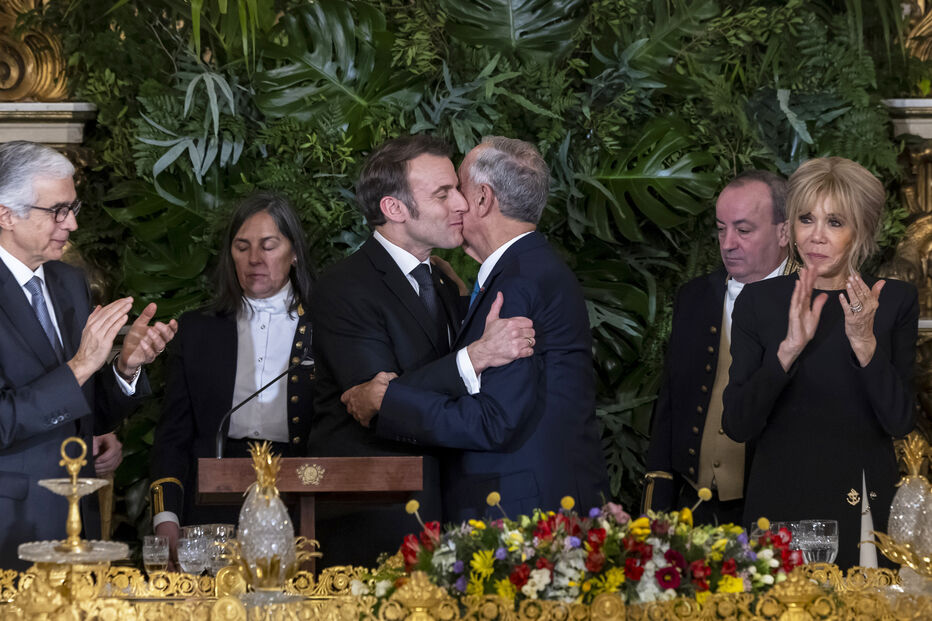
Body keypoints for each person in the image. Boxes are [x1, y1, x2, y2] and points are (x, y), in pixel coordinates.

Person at [342, 136, 609, 522]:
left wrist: (388, 401)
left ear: (483, 199)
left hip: (526, 514)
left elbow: (493, 420)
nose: (454, 204)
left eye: (457, 190)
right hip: (537, 504)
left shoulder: (518, 283)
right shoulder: (520, 271)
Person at [310, 135, 533, 566]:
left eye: (458, 190)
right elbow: (380, 406)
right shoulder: (344, 288)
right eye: (443, 194)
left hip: (448, 515)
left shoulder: (447, 282)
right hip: (376, 519)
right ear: (394, 209)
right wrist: (475, 357)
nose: (462, 205)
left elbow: (400, 394)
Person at [722, 157, 918, 569]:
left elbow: (900, 421)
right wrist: (787, 351)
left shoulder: (893, 301)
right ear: (791, 227)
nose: (816, 236)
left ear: (860, 231)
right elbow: (737, 424)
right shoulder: (758, 302)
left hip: (862, 511)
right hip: (779, 507)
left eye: (835, 222)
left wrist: (864, 341)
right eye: (806, 219)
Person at [0, 140, 176, 569]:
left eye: (73, 208)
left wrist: (123, 368)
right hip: (12, 525)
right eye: (57, 210)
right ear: (6, 214)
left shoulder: (68, 282)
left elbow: (84, 411)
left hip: (79, 522)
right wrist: (80, 365)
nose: (72, 224)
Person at [149, 192, 315, 564]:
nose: (255, 259)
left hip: (301, 497)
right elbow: (173, 436)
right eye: (242, 247)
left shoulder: (326, 327)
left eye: (269, 246)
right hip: (211, 501)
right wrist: (167, 517)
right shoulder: (196, 331)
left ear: (294, 253)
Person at [643, 171, 792, 525]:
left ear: (784, 232)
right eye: (721, 228)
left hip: (773, 511)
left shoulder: (809, 304)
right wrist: (655, 509)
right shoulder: (695, 297)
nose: (727, 243)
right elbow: (671, 403)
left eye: (743, 230)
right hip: (692, 508)